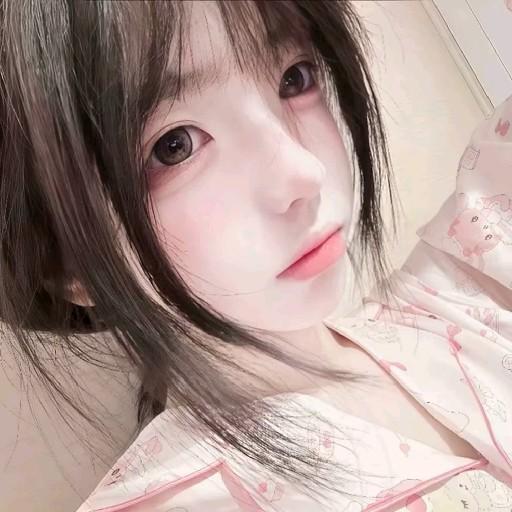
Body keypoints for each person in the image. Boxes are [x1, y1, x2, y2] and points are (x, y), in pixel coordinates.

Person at [0, 1, 510, 511]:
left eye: (294, 77)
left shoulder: (461, 301)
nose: (304, 173)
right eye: (174, 146)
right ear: (69, 267)